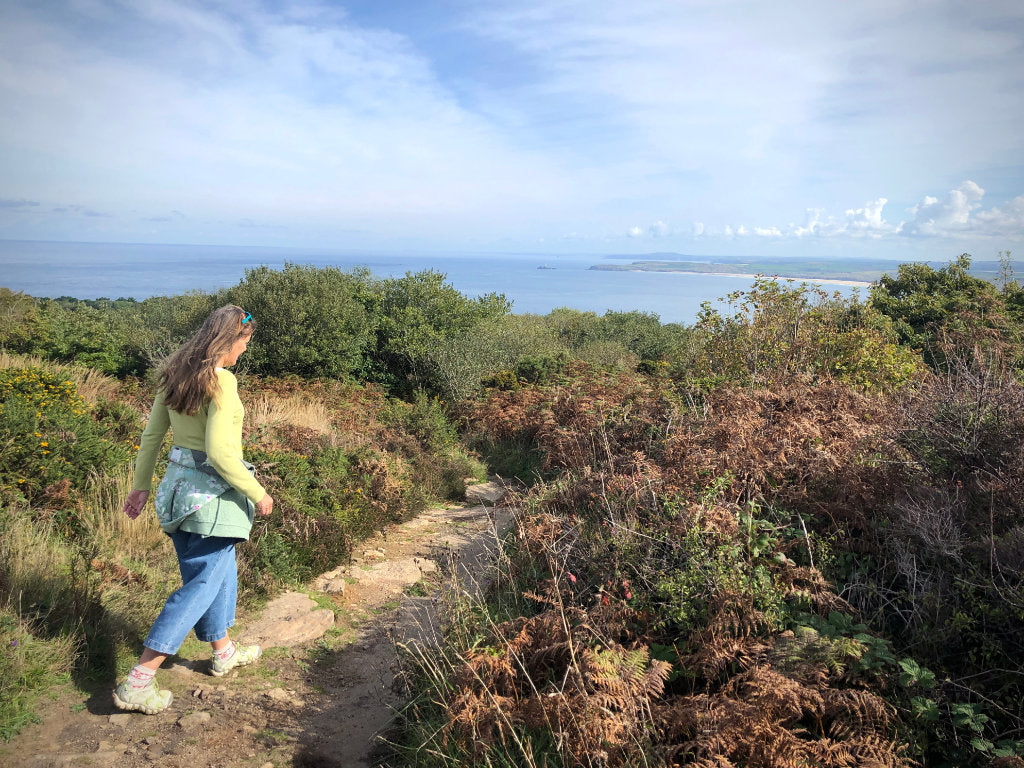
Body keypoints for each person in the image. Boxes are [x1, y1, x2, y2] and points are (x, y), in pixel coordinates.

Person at [113, 305, 274, 715]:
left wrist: (140, 488)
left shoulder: (174, 375)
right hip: (213, 500)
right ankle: (141, 679)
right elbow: (221, 452)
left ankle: (223, 652)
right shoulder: (222, 380)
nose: (243, 351)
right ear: (229, 340)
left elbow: (151, 438)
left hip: (176, 495)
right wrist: (258, 493)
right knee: (201, 584)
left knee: (217, 571)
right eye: (244, 342)